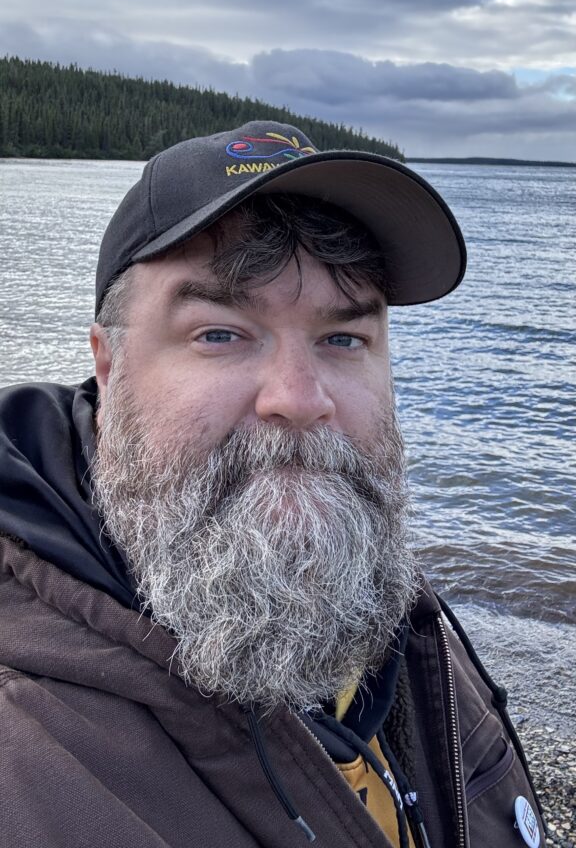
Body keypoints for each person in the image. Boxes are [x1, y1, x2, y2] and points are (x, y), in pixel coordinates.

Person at [0, 121, 545, 848]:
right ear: (110, 366)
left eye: (343, 339)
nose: (298, 397)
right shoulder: (29, 754)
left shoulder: (390, 607)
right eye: (220, 333)